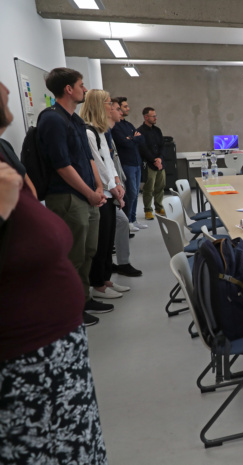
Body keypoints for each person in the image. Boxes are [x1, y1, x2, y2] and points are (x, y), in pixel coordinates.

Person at [0, 80, 108, 464]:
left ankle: (87, 299)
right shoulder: (51, 121)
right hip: (23, 363)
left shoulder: (5, 148)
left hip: (56, 351)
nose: (5, 88)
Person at [39, 68, 113, 323]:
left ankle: (84, 298)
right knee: (73, 255)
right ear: (69, 89)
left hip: (87, 196)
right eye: (81, 85)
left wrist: (98, 188)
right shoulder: (52, 119)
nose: (85, 89)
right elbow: (62, 165)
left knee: (89, 250)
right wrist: (89, 193)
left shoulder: (76, 121)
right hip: (68, 198)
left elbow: (89, 158)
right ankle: (71, 309)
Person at [80, 89, 131, 299]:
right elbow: (97, 165)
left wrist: (117, 183)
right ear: (99, 106)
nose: (112, 107)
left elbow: (109, 162)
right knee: (100, 242)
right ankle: (98, 284)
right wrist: (112, 187)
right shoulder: (88, 132)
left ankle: (106, 279)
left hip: (110, 192)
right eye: (109, 103)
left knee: (109, 240)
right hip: (103, 194)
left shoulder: (100, 132)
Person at [106, 101, 143, 278]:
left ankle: (121, 263)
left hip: (117, 179)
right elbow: (103, 163)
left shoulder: (113, 129)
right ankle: (106, 272)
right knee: (130, 196)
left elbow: (138, 139)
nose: (121, 111)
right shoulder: (99, 132)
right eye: (117, 108)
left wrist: (117, 182)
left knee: (123, 215)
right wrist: (114, 185)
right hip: (106, 188)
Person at [112, 96, 147, 232]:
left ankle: (133, 219)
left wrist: (132, 138)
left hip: (136, 163)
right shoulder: (116, 127)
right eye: (125, 106)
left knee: (136, 192)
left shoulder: (129, 125)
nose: (128, 108)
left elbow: (141, 139)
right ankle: (129, 221)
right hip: (127, 164)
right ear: (119, 109)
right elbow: (124, 143)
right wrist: (134, 138)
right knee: (131, 193)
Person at [137, 106, 166, 220]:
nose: (155, 118)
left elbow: (162, 146)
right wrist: (154, 160)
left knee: (160, 186)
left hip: (160, 163)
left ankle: (159, 207)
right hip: (149, 164)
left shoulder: (157, 130)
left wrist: (160, 159)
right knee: (149, 188)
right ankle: (148, 210)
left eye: (155, 116)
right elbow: (143, 149)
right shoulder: (140, 131)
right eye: (153, 116)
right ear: (146, 117)